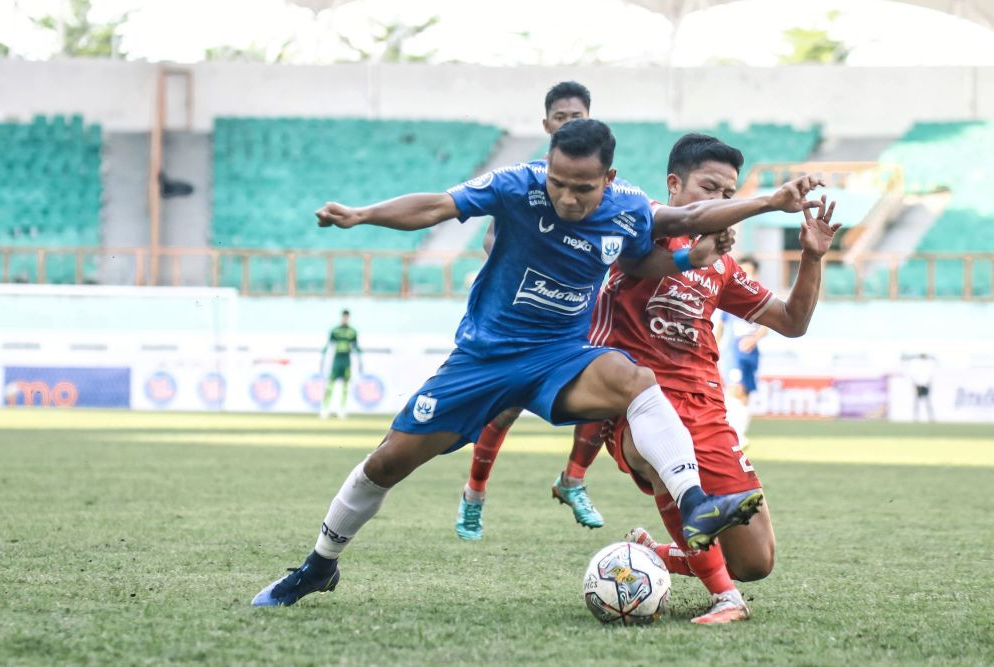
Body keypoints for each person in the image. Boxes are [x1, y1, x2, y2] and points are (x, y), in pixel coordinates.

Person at [251, 119, 824, 607]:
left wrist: (771, 204)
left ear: (610, 181)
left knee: (634, 381)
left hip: (559, 358)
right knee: (386, 464)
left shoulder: (627, 211)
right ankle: (320, 565)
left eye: (581, 188)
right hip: (485, 358)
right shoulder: (516, 187)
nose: (567, 199)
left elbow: (679, 227)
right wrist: (362, 216)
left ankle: (695, 503)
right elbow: (436, 205)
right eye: (558, 183)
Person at [581, 133, 839, 623]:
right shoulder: (642, 223)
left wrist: (811, 257)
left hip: (708, 409)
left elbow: (792, 322)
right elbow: (691, 223)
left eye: (728, 192)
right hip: (640, 395)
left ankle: (656, 555)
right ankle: (726, 599)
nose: (720, 200)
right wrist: (762, 204)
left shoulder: (720, 264)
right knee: (650, 451)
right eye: (710, 187)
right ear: (674, 183)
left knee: (756, 561)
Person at [459, 80, 607, 540]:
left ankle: (573, 481)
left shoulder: (599, 185)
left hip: (570, 323)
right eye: (562, 117)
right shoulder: (520, 182)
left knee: (606, 397)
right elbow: (489, 237)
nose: (571, 123)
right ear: (547, 125)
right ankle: (474, 494)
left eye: (579, 116)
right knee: (502, 412)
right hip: (517, 321)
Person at [716, 256, 768, 446]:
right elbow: (720, 326)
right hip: (732, 352)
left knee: (745, 393)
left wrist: (754, 339)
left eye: (749, 271)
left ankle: (739, 433)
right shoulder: (729, 295)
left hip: (751, 354)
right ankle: (733, 434)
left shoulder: (760, 298)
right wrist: (713, 347)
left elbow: (765, 327)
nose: (745, 274)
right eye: (742, 270)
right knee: (735, 390)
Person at [319, 309, 362, 419]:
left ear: (349, 318)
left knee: (345, 386)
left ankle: (342, 410)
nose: (345, 319)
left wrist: (360, 360)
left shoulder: (352, 332)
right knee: (330, 385)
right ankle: (325, 409)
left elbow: (356, 347)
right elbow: (328, 346)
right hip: (336, 361)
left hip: (346, 361)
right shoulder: (335, 331)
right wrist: (322, 360)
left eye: (346, 317)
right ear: (341, 317)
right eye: (344, 317)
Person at [906, 352, 936, 421]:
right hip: (918, 385)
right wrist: (914, 385)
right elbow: (913, 375)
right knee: (916, 402)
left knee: (927, 402)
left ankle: (931, 418)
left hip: (926, 385)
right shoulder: (916, 363)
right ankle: (915, 418)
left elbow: (931, 375)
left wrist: (929, 384)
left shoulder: (929, 363)